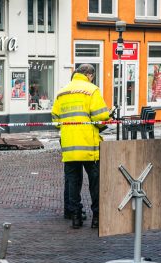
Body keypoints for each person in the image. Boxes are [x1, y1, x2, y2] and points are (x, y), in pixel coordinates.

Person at [52, 64, 110, 229]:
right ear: (90, 75)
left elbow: (56, 120)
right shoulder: (92, 90)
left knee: (73, 183)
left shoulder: (62, 92)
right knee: (95, 183)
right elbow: (101, 116)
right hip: (88, 146)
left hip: (70, 147)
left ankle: (76, 217)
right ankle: (97, 218)